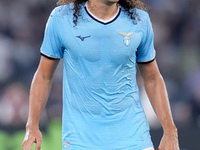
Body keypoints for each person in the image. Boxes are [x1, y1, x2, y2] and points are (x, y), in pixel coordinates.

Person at [22, 0, 180, 149]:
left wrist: (170, 131)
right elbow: (43, 76)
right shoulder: (61, 18)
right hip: (81, 140)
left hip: (133, 137)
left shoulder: (139, 20)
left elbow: (153, 78)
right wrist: (32, 125)